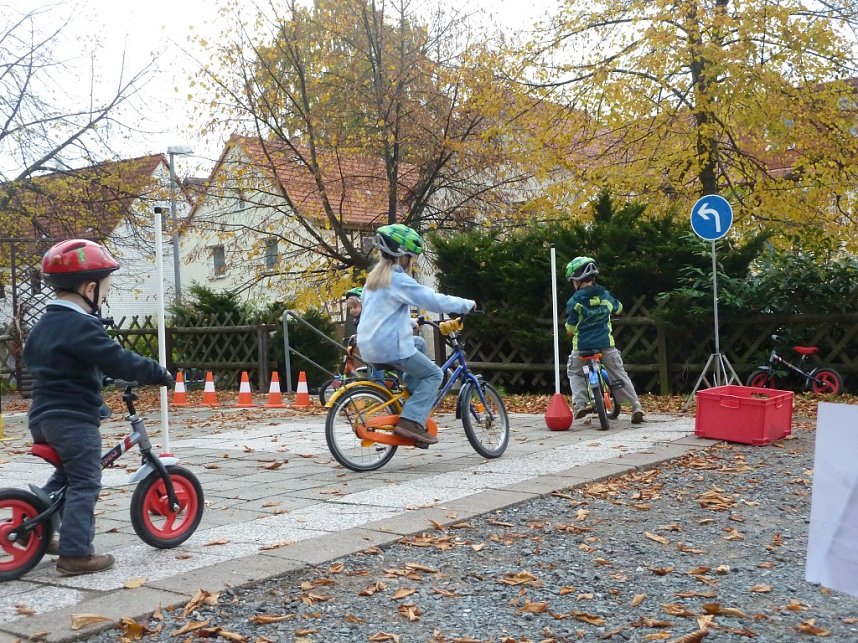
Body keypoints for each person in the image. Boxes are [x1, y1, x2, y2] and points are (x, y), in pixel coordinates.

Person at [23, 239, 175, 576]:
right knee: (86, 481)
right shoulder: (82, 326)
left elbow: (58, 364)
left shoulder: (45, 325)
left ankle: (37, 526)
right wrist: (157, 372)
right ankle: (76, 554)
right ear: (90, 287)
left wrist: (97, 377)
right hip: (72, 419)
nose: (104, 297)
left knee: (68, 475)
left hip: (43, 415)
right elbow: (118, 359)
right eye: (105, 291)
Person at [357, 224, 474, 445]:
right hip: (390, 347)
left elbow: (378, 314)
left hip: (369, 345)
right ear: (403, 257)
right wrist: (466, 304)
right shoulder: (397, 279)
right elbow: (431, 299)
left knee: (418, 343)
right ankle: (411, 420)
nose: (411, 262)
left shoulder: (372, 280)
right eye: (411, 257)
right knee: (434, 375)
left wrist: (412, 321)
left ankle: (413, 393)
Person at [564, 256, 644, 425]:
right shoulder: (605, 295)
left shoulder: (574, 302)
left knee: (575, 372)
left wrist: (569, 332)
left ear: (577, 281)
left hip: (583, 347)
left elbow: (571, 327)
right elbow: (619, 307)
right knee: (619, 373)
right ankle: (636, 406)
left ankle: (580, 404)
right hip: (606, 345)